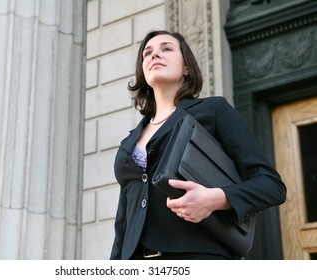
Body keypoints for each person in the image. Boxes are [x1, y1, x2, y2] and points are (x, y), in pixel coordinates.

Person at [110, 30, 287, 260]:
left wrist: (213, 199)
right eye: (147, 53)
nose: (155, 55)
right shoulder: (129, 143)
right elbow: (123, 225)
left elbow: (271, 186)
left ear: (186, 67)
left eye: (166, 49)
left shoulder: (214, 111)